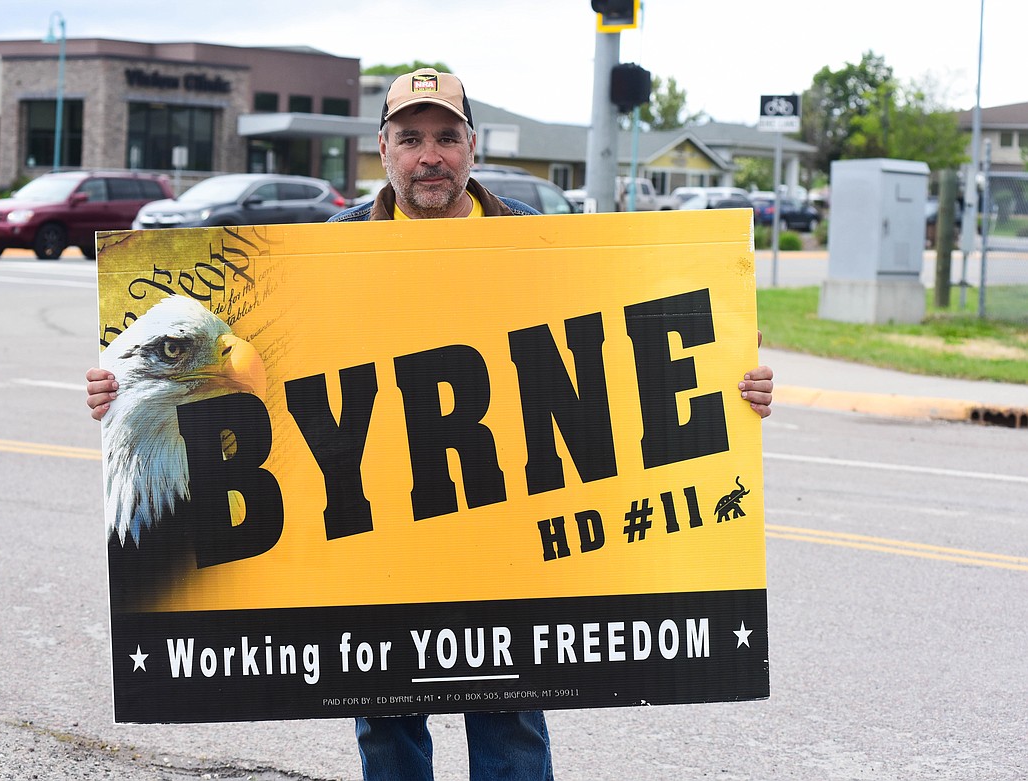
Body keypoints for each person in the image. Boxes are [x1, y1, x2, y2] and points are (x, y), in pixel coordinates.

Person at [86, 67, 775, 780]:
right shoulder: (333, 246)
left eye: (446, 137)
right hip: (378, 520)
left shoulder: (537, 240)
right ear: (382, 149)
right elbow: (264, 382)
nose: (430, 156)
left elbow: (627, 356)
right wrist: (119, 393)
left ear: (472, 146)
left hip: (507, 518)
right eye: (411, 138)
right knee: (385, 719)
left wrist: (735, 381)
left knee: (510, 713)